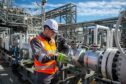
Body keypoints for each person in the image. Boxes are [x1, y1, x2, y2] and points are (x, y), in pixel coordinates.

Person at [30, 19, 69, 84]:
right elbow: (40, 58)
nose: (54, 34)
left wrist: (64, 47)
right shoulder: (36, 40)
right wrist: (55, 57)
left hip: (54, 73)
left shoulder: (52, 41)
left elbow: (55, 52)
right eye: (53, 31)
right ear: (46, 29)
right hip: (43, 75)